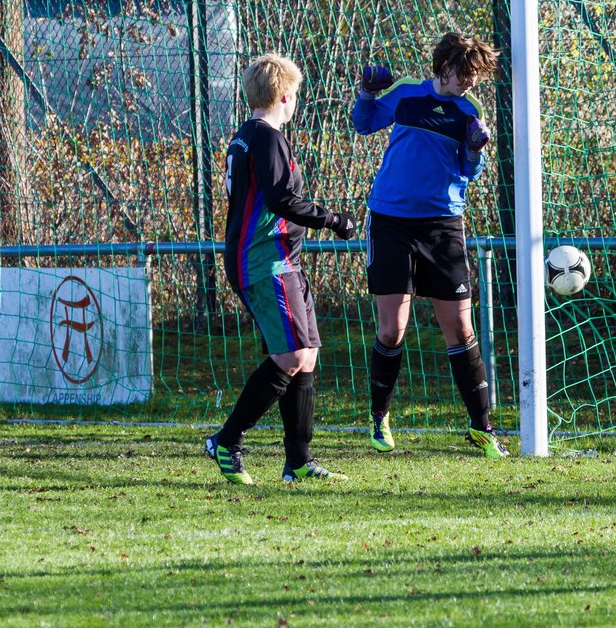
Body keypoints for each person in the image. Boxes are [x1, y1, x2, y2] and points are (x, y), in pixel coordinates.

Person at [352, 31, 507, 458]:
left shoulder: (469, 111)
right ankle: (379, 417)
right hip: (390, 222)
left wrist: (475, 150)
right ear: (444, 66)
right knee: (392, 328)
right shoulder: (405, 94)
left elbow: (467, 170)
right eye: (466, 72)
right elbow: (363, 124)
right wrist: (367, 93)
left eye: (477, 75)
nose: (471, 81)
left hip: (442, 225)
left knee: (460, 328)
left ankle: (482, 428)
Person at [205, 52, 357, 484]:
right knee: (290, 355)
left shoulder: (246, 136)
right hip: (263, 260)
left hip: (279, 259)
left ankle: (299, 462)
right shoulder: (266, 137)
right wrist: (332, 219)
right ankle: (227, 440)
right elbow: (280, 200)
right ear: (286, 96)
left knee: (306, 356)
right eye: (297, 96)